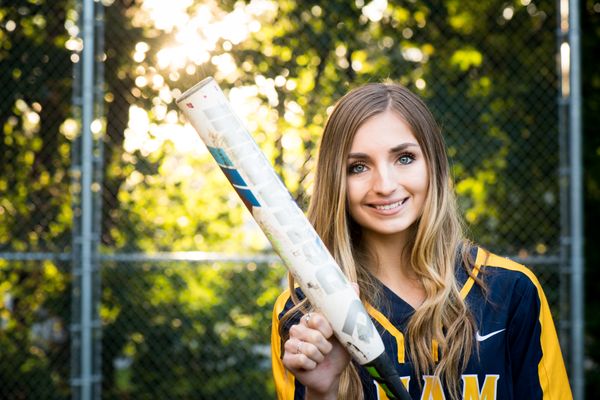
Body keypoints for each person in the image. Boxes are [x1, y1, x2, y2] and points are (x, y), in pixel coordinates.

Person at [270, 82, 572, 400]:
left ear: (434, 165)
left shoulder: (511, 290)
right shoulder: (302, 313)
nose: (385, 185)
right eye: (358, 167)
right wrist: (323, 391)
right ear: (336, 182)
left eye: (404, 158)